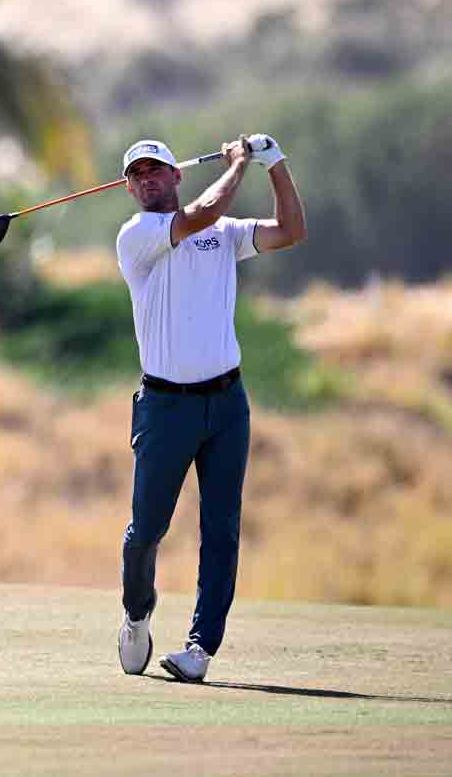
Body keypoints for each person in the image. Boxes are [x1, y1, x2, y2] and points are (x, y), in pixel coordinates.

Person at [114, 133, 306, 683]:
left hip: (226, 405)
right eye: (137, 175)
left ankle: (200, 647)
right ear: (130, 189)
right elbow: (201, 213)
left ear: (176, 175)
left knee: (221, 529)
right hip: (164, 408)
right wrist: (240, 164)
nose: (147, 180)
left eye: (156, 171)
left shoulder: (222, 235)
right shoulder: (138, 237)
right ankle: (135, 614)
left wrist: (275, 163)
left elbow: (292, 231)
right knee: (147, 530)